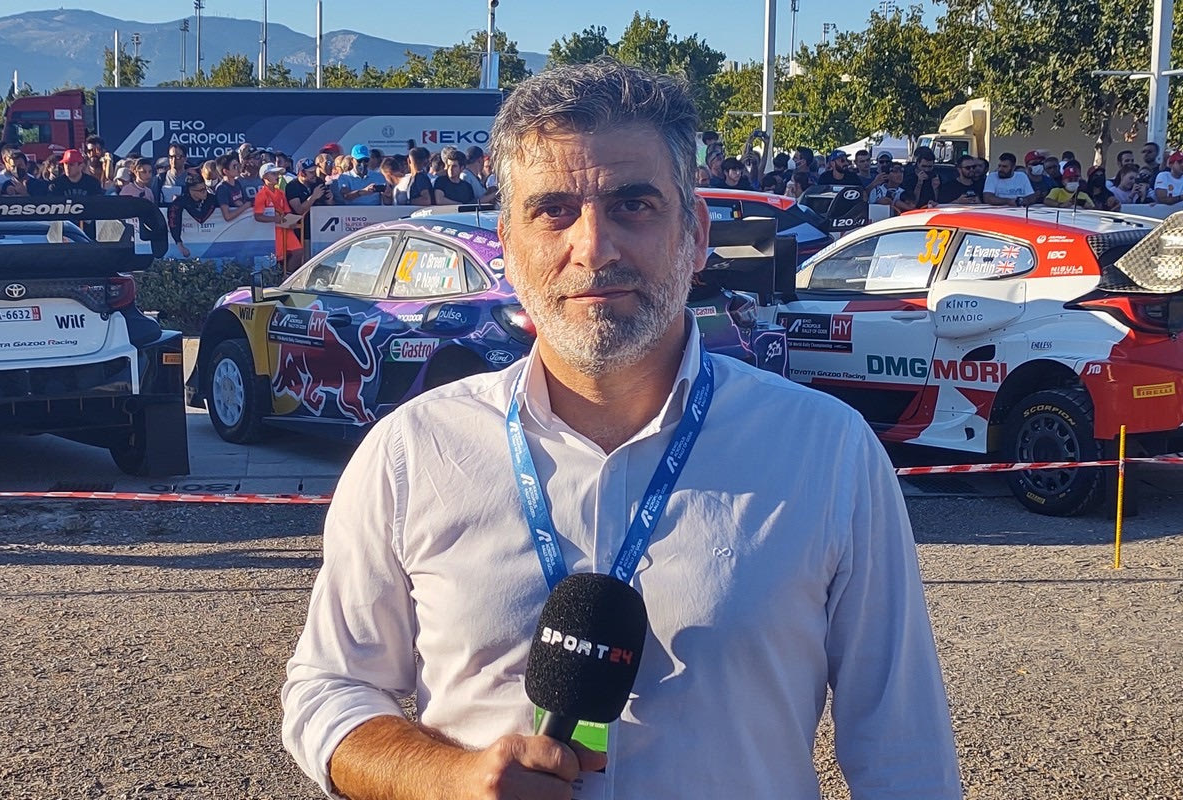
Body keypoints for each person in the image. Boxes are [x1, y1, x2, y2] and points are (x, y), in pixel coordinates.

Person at [282, 58, 960, 800]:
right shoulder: (413, 452)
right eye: (554, 211)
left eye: (633, 205)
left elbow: (905, 757)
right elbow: (329, 690)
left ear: (694, 236)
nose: (594, 247)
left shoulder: (826, 452)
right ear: (507, 244)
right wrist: (446, 778)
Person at [254, 162, 303, 273]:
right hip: (272, 233)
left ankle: (287, 276)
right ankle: (283, 277)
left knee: (298, 252)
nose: (277, 176)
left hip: (285, 229)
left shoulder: (281, 193)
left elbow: (287, 211)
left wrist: (291, 222)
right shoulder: (261, 195)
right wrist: (273, 219)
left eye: (277, 174)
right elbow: (257, 216)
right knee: (276, 259)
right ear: (265, 177)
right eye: (273, 174)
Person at [166, 173, 217, 259]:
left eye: (205, 188)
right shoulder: (181, 201)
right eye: (201, 190)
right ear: (191, 190)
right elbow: (173, 220)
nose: (205, 192)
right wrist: (180, 244)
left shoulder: (211, 198)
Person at [214, 153, 254, 222]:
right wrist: (246, 206)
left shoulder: (237, 183)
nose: (238, 168)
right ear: (225, 171)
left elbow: (241, 202)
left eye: (238, 165)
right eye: (234, 166)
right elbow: (227, 216)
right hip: (230, 226)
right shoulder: (222, 188)